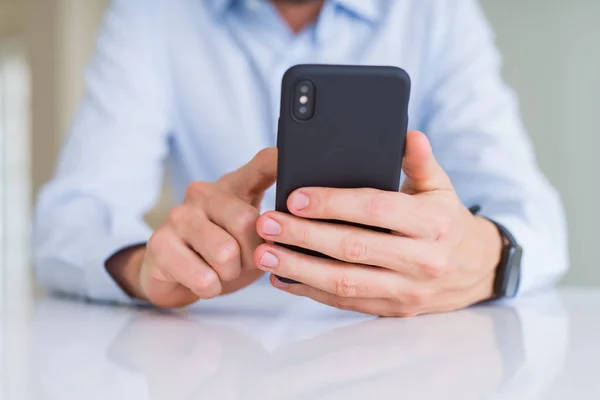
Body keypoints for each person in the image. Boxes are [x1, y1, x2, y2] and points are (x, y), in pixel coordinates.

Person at [33, 0, 568, 316]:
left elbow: (537, 219)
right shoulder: (152, 14)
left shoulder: (434, 13)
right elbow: (69, 221)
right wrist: (143, 266)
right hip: (216, 355)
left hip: (410, 356)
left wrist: (489, 257)